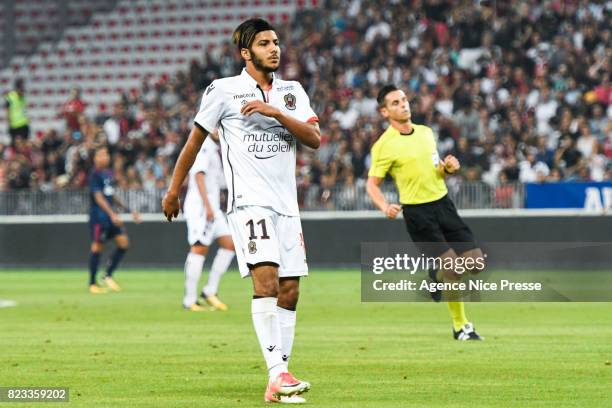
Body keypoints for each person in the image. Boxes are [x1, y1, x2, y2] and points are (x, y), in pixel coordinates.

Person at [162, 18, 320, 404]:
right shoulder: (223, 90)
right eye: (265, 43)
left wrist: (278, 113)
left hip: (287, 207)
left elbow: (315, 138)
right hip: (249, 203)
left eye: (277, 42)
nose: (275, 48)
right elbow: (194, 141)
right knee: (265, 283)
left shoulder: (292, 92)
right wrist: (173, 188)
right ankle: (277, 374)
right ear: (246, 53)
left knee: (291, 289)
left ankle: (279, 377)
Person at [366, 84, 485, 341]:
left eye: (404, 100)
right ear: (385, 112)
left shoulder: (425, 133)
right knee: (453, 268)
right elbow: (372, 184)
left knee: (475, 264)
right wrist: (385, 206)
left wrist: (448, 169)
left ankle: (436, 275)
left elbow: (436, 170)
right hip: (418, 213)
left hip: (443, 204)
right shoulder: (384, 145)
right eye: (395, 103)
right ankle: (461, 326)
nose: (403, 105)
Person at [182, 134, 235, 312]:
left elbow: (220, 181)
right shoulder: (204, 145)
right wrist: (207, 206)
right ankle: (189, 300)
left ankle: (209, 290)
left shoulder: (215, 148)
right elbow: (197, 175)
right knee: (199, 248)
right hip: (201, 208)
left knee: (229, 244)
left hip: (212, 207)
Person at [88, 146, 141, 294]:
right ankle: (92, 283)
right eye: (101, 155)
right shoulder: (94, 174)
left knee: (123, 243)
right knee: (97, 247)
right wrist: (112, 214)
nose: (105, 157)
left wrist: (130, 210)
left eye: (106, 155)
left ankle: (107, 275)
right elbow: (98, 197)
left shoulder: (108, 174)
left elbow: (111, 196)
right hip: (99, 218)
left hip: (110, 217)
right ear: (95, 158)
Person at [4, 78, 30, 146]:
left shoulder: (23, 97)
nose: (23, 91)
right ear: (17, 88)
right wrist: (9, 121)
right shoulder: (10, 96)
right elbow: (7, 109)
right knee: (14, 145)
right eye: (21, 88)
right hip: (14, 124)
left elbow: (24, 110)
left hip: (24, 124)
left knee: (25, 144)